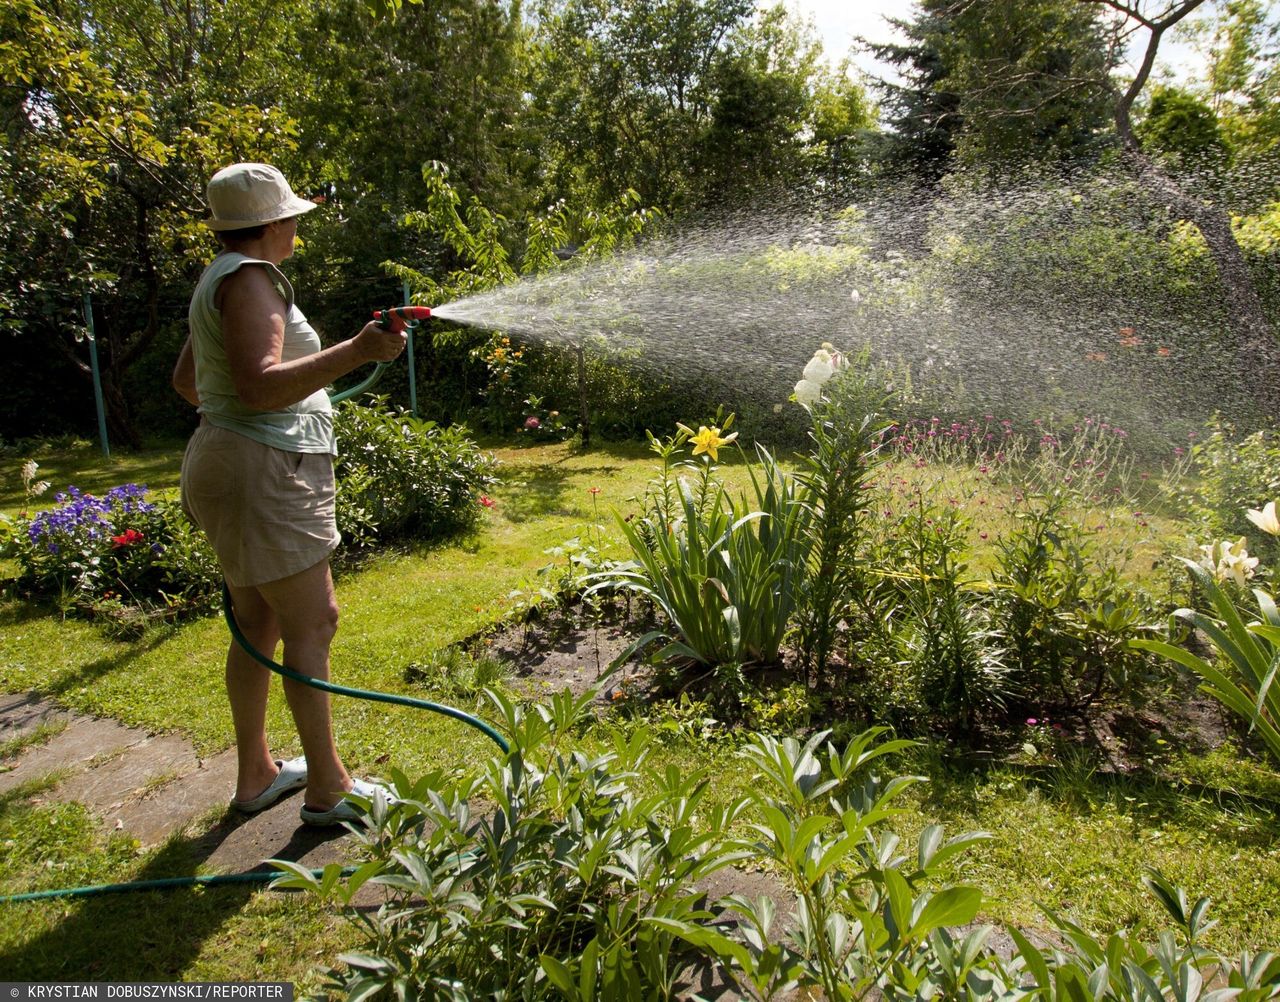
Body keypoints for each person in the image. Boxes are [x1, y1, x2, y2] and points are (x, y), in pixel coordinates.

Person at [173, 163, 406, 825]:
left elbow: (192, 382)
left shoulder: (219, 279)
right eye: (294, 215)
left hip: (232, 460)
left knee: (259, 623)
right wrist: (359, 350)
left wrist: (252, 416)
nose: (298, 224)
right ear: (274, 222)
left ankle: (256, 775)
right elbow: (258, 385)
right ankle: (329, 790)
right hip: (264, 472)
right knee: (314, 622)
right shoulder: (250, 279)